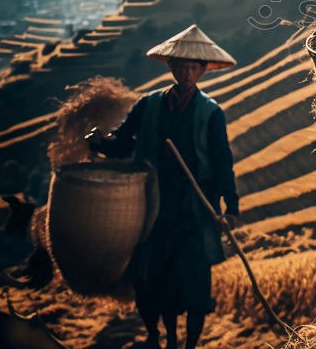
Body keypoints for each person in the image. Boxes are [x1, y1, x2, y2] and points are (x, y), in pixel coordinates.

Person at [87, 24, 239, 349]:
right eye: (180, 65)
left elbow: (223, 162)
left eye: (193, 67)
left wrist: (231, 209)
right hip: (153, 206)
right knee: (153, 279)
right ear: (170, 66)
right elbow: (123, 143)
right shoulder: (149, 104)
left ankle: (190, 344)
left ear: (202, 70)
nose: (186, 72)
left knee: (195, 284)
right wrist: (101, 143)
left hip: (196, 208)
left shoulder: (211, 113)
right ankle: (161, 337)